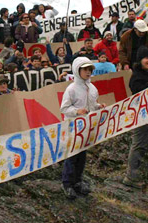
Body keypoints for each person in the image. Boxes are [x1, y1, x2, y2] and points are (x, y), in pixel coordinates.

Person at [60, 57, 105, 199]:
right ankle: (67, 184)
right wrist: (76, 111)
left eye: (90, 69)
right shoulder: (71, 89)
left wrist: (98, 106)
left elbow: (92, 105)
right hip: (73, 128)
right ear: (77, 70)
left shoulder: (93, 89)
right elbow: (64, 108)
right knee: (72, 156)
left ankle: (77, 182)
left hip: (86, 129)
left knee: (82, 157)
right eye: (85, 69)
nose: (88, 72)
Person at [122, 46, 148, 189]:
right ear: (140, 61)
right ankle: (130, 177)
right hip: (140, 115)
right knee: (138, 143)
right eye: (146, 58)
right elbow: (139, 91)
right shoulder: (136, 77)